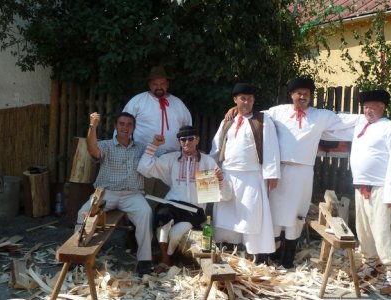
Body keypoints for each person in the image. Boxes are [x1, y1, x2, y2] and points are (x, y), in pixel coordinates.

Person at [262, 77, 361, 268]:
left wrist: (372, 118)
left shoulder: (320, 116)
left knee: (296, 215)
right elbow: (255, 117)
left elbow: (347, 120)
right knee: (274, 213)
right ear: (291, 95)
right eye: (299, 93)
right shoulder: (277, 112)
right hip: (279, 172)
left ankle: (288, 259)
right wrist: (233, 111)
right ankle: (272, 255)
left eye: (306, 94)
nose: (302, 97)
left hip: (303, 173)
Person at [137, 126, 232, 273]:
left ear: (197, 140)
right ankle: (165, 259)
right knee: (162, 216)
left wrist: (220, 180)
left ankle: (170, 256)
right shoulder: (172, 159)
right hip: (172, 204)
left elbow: (224, 195)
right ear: (179, 142)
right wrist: (154, 145)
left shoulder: (207, 162)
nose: (186, 142)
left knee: (175, 233)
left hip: (194, 209)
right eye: (183, 139)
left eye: (190, 139)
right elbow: (144, 167)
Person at [75, 112, 153, 276]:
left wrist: (158, 143)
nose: (125, 127)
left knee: (146, 213)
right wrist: (93, 126)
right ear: (115, 127)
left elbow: (156, 158)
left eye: (129, 124)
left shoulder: (141, 148)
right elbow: (92, 149)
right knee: (83, 213)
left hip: (132, 195)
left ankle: (145, 260)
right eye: (121, 124)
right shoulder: (106, 145)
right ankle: (77, 256)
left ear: (133, 128)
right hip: (106, 193)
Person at [210, 83, 280, 263]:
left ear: (254, 100)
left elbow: (271, 148)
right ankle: (229, 249)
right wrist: (211, 167)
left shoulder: (263, 121)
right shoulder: (227, 122)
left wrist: (272, 174)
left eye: (250, 98)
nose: (246, 102)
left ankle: (254, 253)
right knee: (227, 213)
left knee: (251, 215)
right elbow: (216, 147)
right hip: (228, 175)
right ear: (235, 100)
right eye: (242, 98)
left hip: (252, 176)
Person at [349, 90, 391, 295]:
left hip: (382, 188)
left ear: (383, 107)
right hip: (362, 186)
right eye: (365, 106)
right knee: (363, 230)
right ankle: (371, 267)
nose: (368, 110)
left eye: (373, 106)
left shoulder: (390, 129)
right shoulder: (361, 127)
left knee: (383, 232)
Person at [122, 65, 192, 154]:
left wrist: (189, 151)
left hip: (173, 157)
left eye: (162, 84)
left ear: (167, 84)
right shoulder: (138, 101)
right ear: (149, 85)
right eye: (155, 84)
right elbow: (122, 125)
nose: (159, 87)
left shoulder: (178, 103)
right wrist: (120, 150)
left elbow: (188, 129)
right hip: (143, 155)